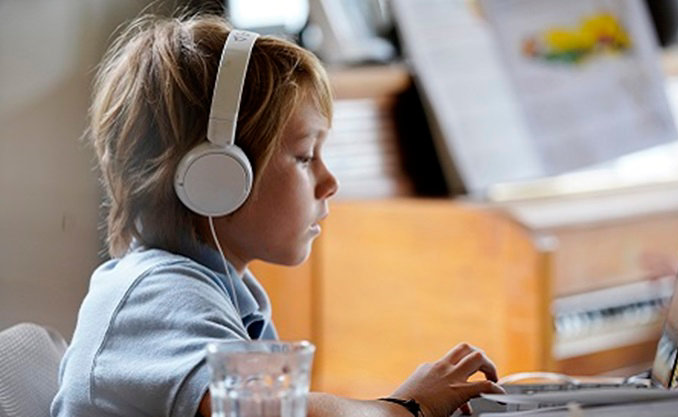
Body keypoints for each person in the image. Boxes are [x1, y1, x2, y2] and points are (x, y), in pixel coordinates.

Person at [51, 13, 504, 417]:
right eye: (306, 156)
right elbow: (256, 410)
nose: (330, 182)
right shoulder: (156, 295)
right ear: (220, 175)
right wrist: (406, 407)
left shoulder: (217, 290)